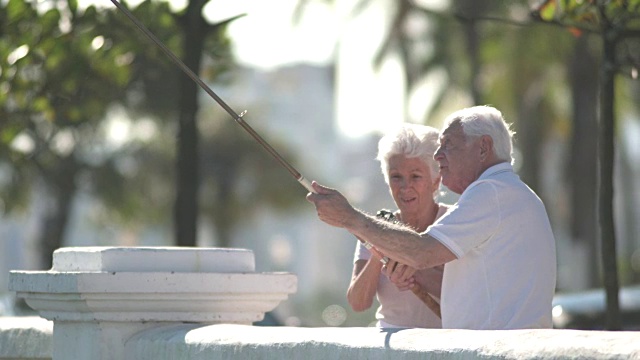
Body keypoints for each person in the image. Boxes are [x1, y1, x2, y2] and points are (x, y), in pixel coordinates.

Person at [307, 105, 557, 330]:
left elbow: (422, 252)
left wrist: (350, 218)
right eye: (396, 177)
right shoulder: (509, 191)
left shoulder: (490, 192)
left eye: (448, 145)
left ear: (483, 148)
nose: (439, 156)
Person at [347, 124, 447, 329]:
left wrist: (413, 270)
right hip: (391, 344)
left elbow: (468, 295)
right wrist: (381, 248)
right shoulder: (375, 229)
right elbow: (358, 302)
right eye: (396, 177)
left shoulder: (455, 222)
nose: (405, 187)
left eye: (415, 176)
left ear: (436, 181)